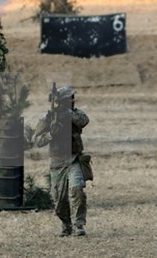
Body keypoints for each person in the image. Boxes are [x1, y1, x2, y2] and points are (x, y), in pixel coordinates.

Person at [34, 85, 90, 237]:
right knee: (59, 200)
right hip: (57, 163)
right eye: (69, 98)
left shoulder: (75, 114)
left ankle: (79, 225)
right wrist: (51, 134)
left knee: (77, 190)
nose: (73, 100)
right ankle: (66, 225)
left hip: (74, 160)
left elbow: (84, 121)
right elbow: (38, 140)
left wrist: (68, 114)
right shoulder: (49, 118)